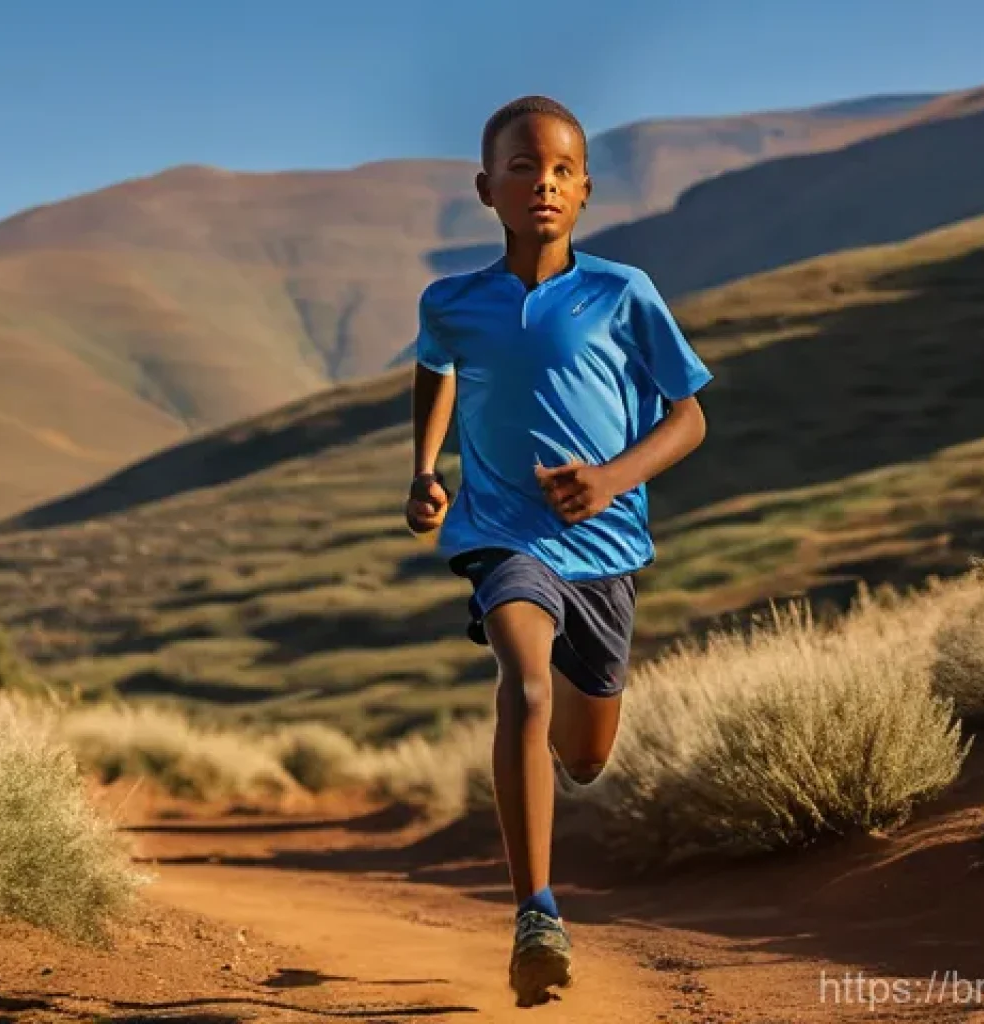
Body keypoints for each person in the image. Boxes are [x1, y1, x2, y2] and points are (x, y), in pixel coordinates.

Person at [405, 94, 712, 1007]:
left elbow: (689, 415)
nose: (541, 183)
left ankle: (571, 764)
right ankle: (536, 912)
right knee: (524, 685)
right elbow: (436, 370)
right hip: (505, 539)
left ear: (584, 192)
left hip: (606, 550)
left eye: (561, 171)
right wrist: (424, 471)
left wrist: (612, 479)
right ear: (484, 188)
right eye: (521, 168)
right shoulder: (451, 300)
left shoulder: (624, 293)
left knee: (584, 753)